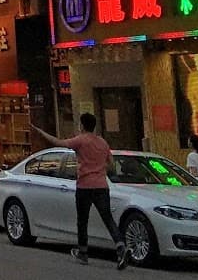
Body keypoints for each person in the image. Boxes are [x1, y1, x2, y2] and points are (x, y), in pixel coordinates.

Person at [31, 114, 127, 268]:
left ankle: (83, 252)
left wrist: (41, 132)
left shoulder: (80, 140)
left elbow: (58, 142)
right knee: (107, 218)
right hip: (102, 186)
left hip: (85, 185)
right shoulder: (102, 142)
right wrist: (100, 169)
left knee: (82, 220)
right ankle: (120, 244)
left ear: (82, 125)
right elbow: (111, 164)